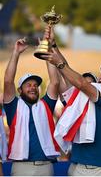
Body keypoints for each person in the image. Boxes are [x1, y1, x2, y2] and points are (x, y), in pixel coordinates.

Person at [40, 27, 101, 176]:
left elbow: (81, 83)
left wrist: (60, 64)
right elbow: (68, 78)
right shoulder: (83, 98)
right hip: (77, 167)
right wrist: (53, 46)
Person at [3, 37, 60, 176]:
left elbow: (55, 82)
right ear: (20, 90)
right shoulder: (13, 105)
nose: (33, 88)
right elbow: (8, 81)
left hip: (46, 166)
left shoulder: (46, 104)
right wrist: (16, 53)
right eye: (28, 85)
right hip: (22, 167)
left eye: (35, 85)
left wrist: (46, 52)